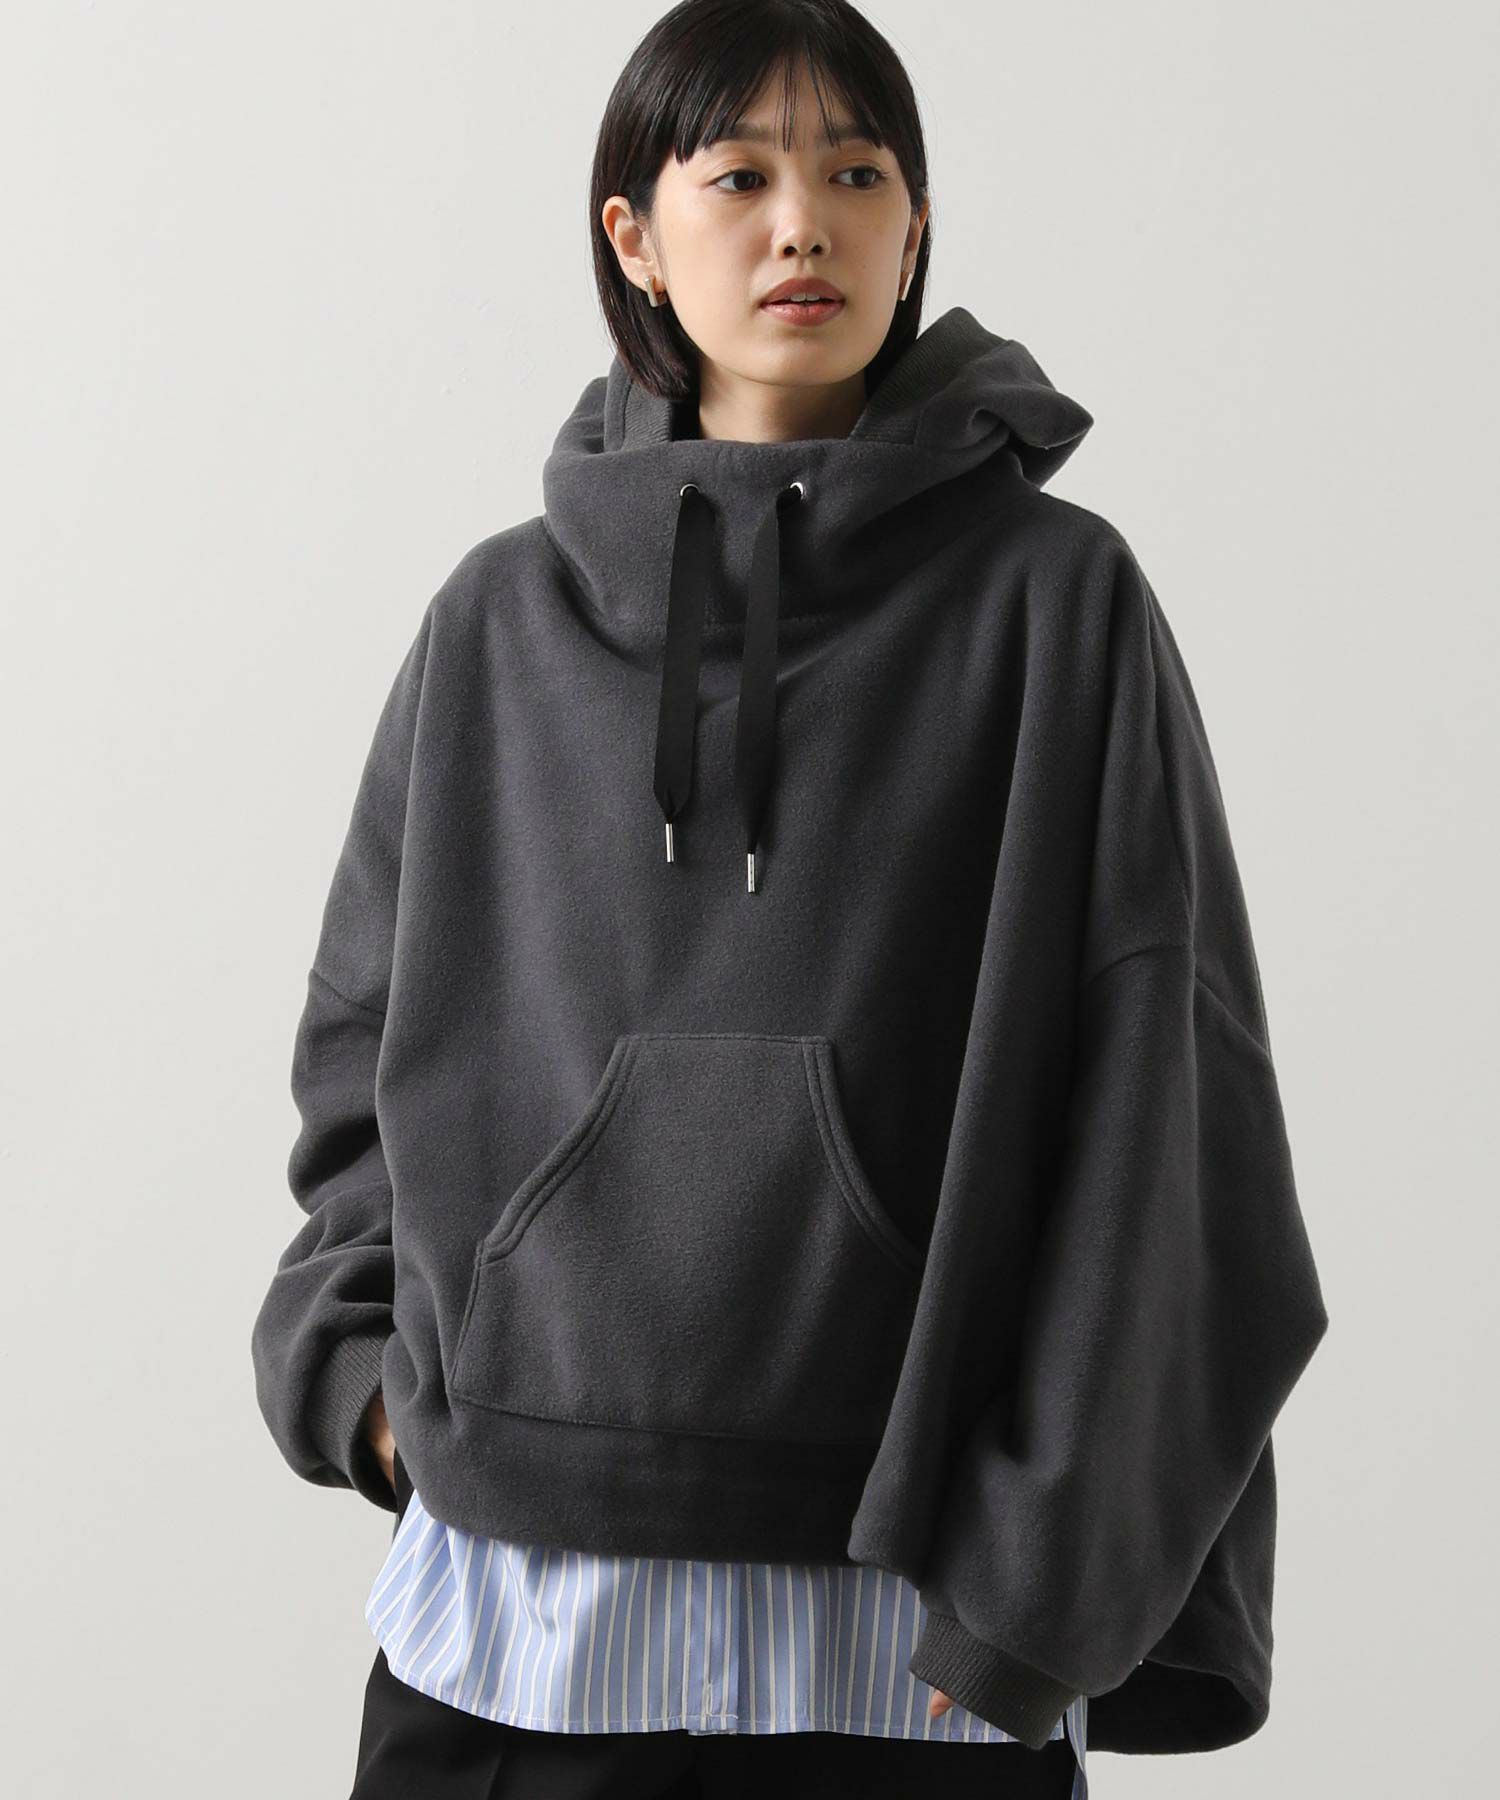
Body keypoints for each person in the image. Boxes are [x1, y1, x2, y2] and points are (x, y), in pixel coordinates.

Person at [250, 3, 1330, 1795]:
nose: (802, 225)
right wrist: (364, 1392)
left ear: (917, 229)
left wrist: (1041, 1590)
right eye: (738, 176)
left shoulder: (1058, 608)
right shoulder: (498, 621)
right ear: (634, 236)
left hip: (903, 1654)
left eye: (856, 173)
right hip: (518, 1633)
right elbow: (360, 1059)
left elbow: (1175, 1103)